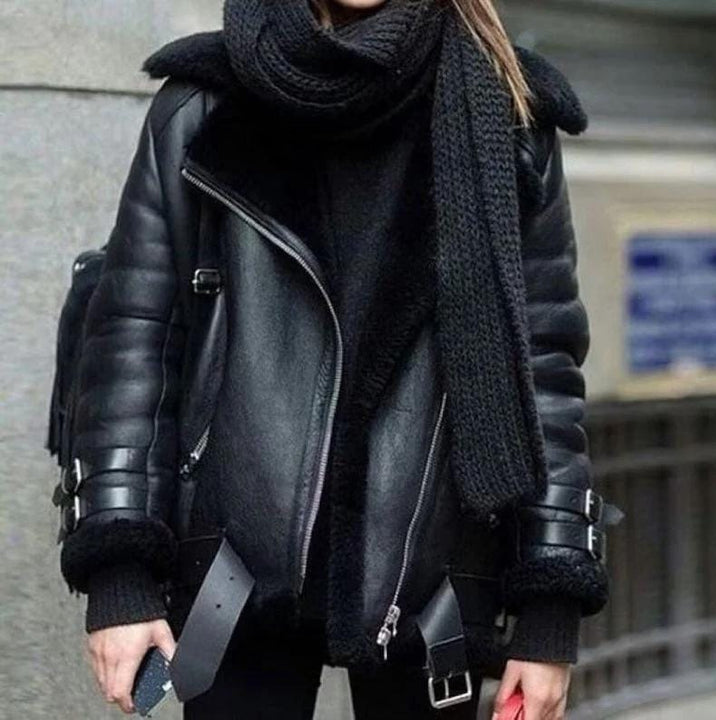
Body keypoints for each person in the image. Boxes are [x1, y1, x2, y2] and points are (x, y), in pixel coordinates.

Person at [53, 1, 622, 718]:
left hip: (434, 593)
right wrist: (119, 572)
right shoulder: (205, 103)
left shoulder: (508, 114)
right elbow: (134, 343)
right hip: (232, 577)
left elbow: (544, 374)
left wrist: (548, 609)